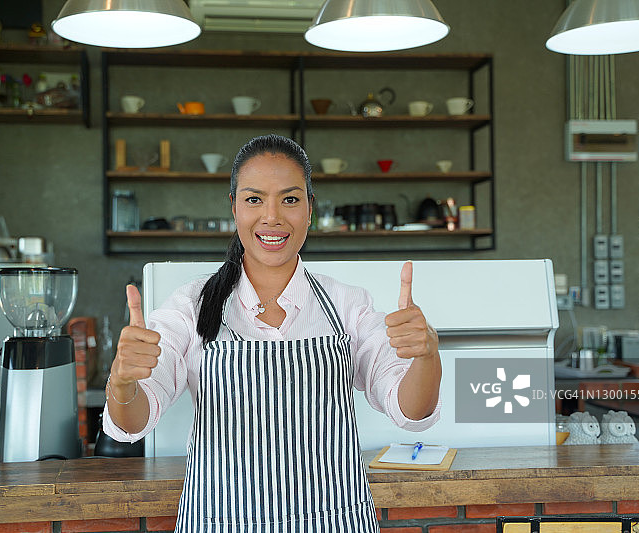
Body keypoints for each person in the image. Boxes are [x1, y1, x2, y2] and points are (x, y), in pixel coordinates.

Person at [103, 134, 442, 533]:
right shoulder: (191, 306)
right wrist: (122, 381)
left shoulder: (347, 305)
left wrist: (427, 356)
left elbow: (410, 411)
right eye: (254, 199)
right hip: (221, 523)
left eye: (290, 199)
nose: (272, 217)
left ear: (310, 210)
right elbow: (131, 423)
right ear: (234, 208)